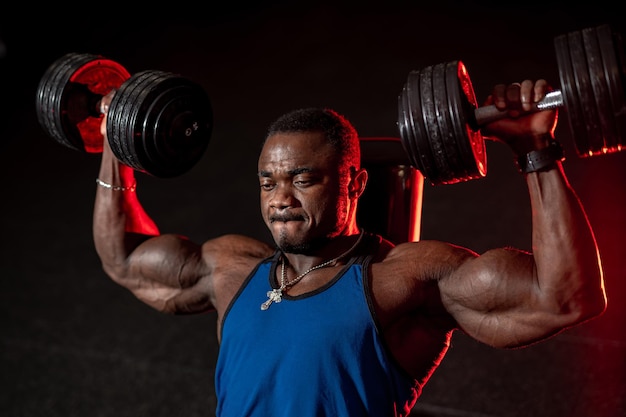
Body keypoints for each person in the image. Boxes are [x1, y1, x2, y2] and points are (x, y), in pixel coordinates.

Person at [92, 78, 606, 417]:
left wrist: (535, 150)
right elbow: (124, 258)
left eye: (303, 179)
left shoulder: (404, 277)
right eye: (268, 182)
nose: (281, 199)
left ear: (355, 185)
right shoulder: (231, 269)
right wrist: (117, 141)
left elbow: (564, 298)